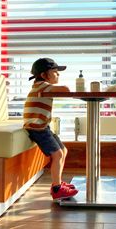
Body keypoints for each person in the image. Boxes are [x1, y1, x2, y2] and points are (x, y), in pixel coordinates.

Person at [23, 58, 79, 200]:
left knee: (63, 151)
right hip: (37, 127)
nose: (58, 75)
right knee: (58, 155)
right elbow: (66, 90)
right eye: (55, 72)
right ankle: (56, 189)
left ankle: (58, 182)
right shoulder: (42, 85)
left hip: (41, 126)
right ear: (43, 75)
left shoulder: (41, 85)